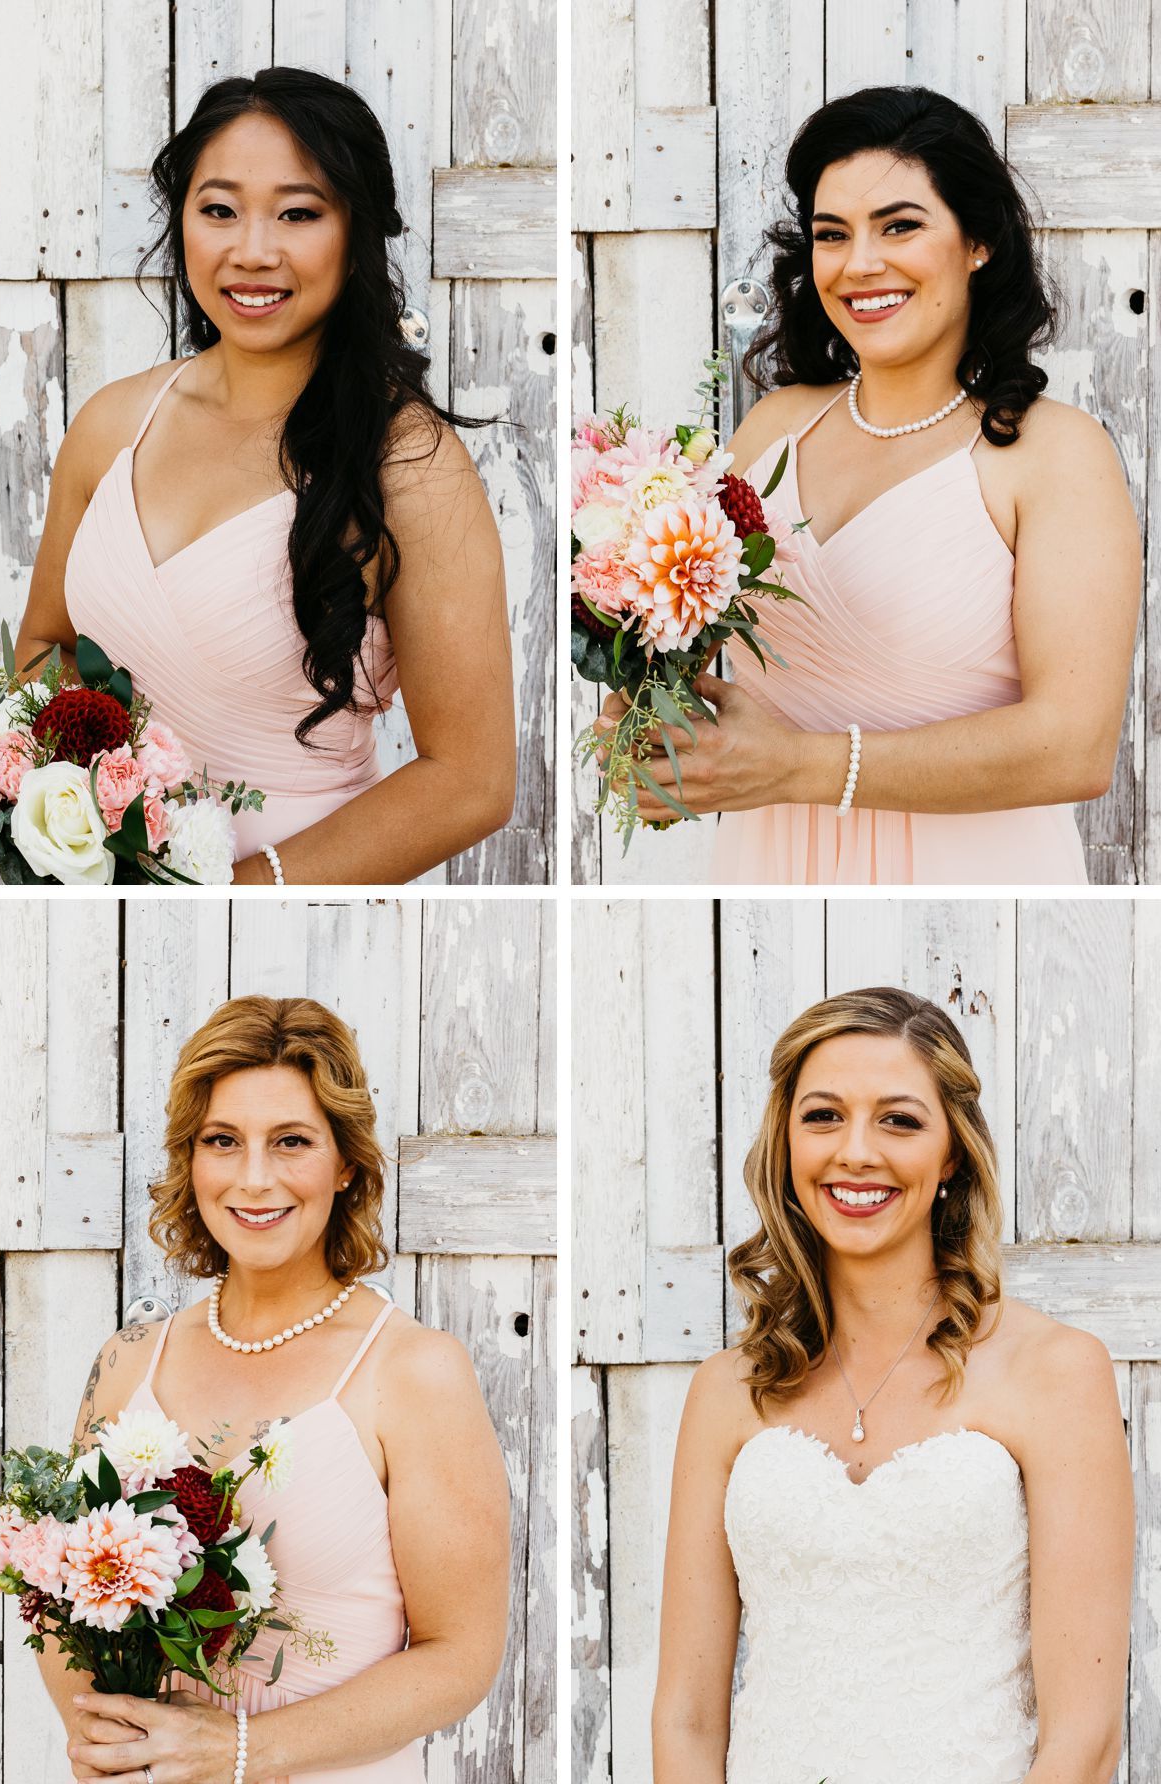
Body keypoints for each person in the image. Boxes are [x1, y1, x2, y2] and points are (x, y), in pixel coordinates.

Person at [600, 86, 1139, 885]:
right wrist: (646, 724)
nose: (860, 264)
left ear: (978, 242)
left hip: (972, 870)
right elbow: (688, 654)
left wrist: (797, 769)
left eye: (900, 226)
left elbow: (1075, 748)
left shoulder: (1055, 454)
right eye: (832, 234)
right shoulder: (773, 428)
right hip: (772, 869)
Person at [12, 68, 516, 885]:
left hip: (297, 906)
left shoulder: (413, 466)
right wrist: (86, 828)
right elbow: (45, 645)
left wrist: (233, 895)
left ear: (355, 231)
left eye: (298, 213)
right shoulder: (112, 424)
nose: (252, 251)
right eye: (219, 209)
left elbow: (472, 783)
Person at [651, 988, 1132, 1783]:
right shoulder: (727, 1390)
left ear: (952, 1155)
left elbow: (1084, 1737)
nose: (856, 1152)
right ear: (785, 1146)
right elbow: (687, 1719)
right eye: (824, 1116)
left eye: (899, 1120)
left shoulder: (1056, 1371)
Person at [36, 995, 509, 1781]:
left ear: (346, 1161)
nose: (254, 1179)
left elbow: (461, 1656)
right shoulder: (127, 1363)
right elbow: (60, 1601)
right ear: (192, 1160)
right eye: (223, 1141)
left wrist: (242, 1753)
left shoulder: (412, 1371)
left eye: (291, 1141)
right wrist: (114, 1743)